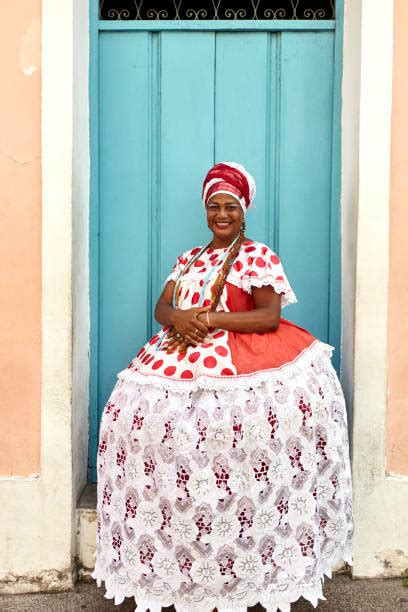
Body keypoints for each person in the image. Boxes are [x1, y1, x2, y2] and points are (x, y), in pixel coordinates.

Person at [92, 162, 354, 612]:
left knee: (240, 447)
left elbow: (268, 316)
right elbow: (163, 305)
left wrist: (208, 319)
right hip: (180, 348)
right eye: (214, 205)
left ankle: (248, 554)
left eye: (230, 205)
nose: (221, 213)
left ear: (243, 210)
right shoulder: (189, 258)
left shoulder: (257, 256)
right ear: (206, 211)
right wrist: (180, 318)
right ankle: (189, 555)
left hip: (239, 353)